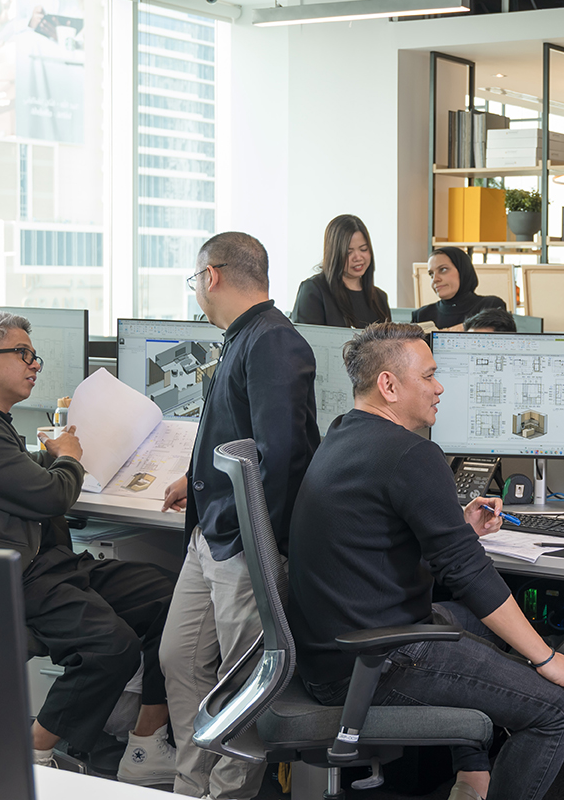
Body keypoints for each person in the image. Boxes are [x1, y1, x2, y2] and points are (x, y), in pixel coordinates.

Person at [288, 323, 564, 800]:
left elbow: (377, 538)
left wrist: (458, 527)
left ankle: (471, 776)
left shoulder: (345, 432)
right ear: (389, 385)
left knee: (473, 621)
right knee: (559, 707)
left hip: (333, 653)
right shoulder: (412, 453)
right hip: (375, 663)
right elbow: (467, 571)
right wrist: (548, 658)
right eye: (428, 376)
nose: (440, 387)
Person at [0, 311, 177, 784]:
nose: (34, 364)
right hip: (13, 577)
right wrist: (70, 459)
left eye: (34, 355)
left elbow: (14, 474)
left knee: (168, 597)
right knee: (111, 647)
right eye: (22, 354)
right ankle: (32, 754)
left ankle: (145, 745)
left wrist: (52, 454)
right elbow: (54, 495)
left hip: (48, 563)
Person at [159, 232, 321, 798]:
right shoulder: (241, 336)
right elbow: (237, 435)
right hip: (212, 530)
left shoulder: (274, 340)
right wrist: (196, 481)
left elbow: (280, 457)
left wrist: (253, 539)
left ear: (212, 275)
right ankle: (191, 782)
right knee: (178, 658)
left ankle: (227, 791)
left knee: (244, 678)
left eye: (195, 279)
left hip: (242, 540)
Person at [292, 214, 390, 328]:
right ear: (334, 254)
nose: (358, 257)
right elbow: (307, 337)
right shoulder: (313, 291)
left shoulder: (379, 298)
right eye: (348, 252)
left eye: (363, 249)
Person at [413, 247, 510, 330]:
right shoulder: (422, 315)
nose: (435, 279)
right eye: (431, 274)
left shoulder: (490, 305)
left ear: (463, 271)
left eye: (443, 269)